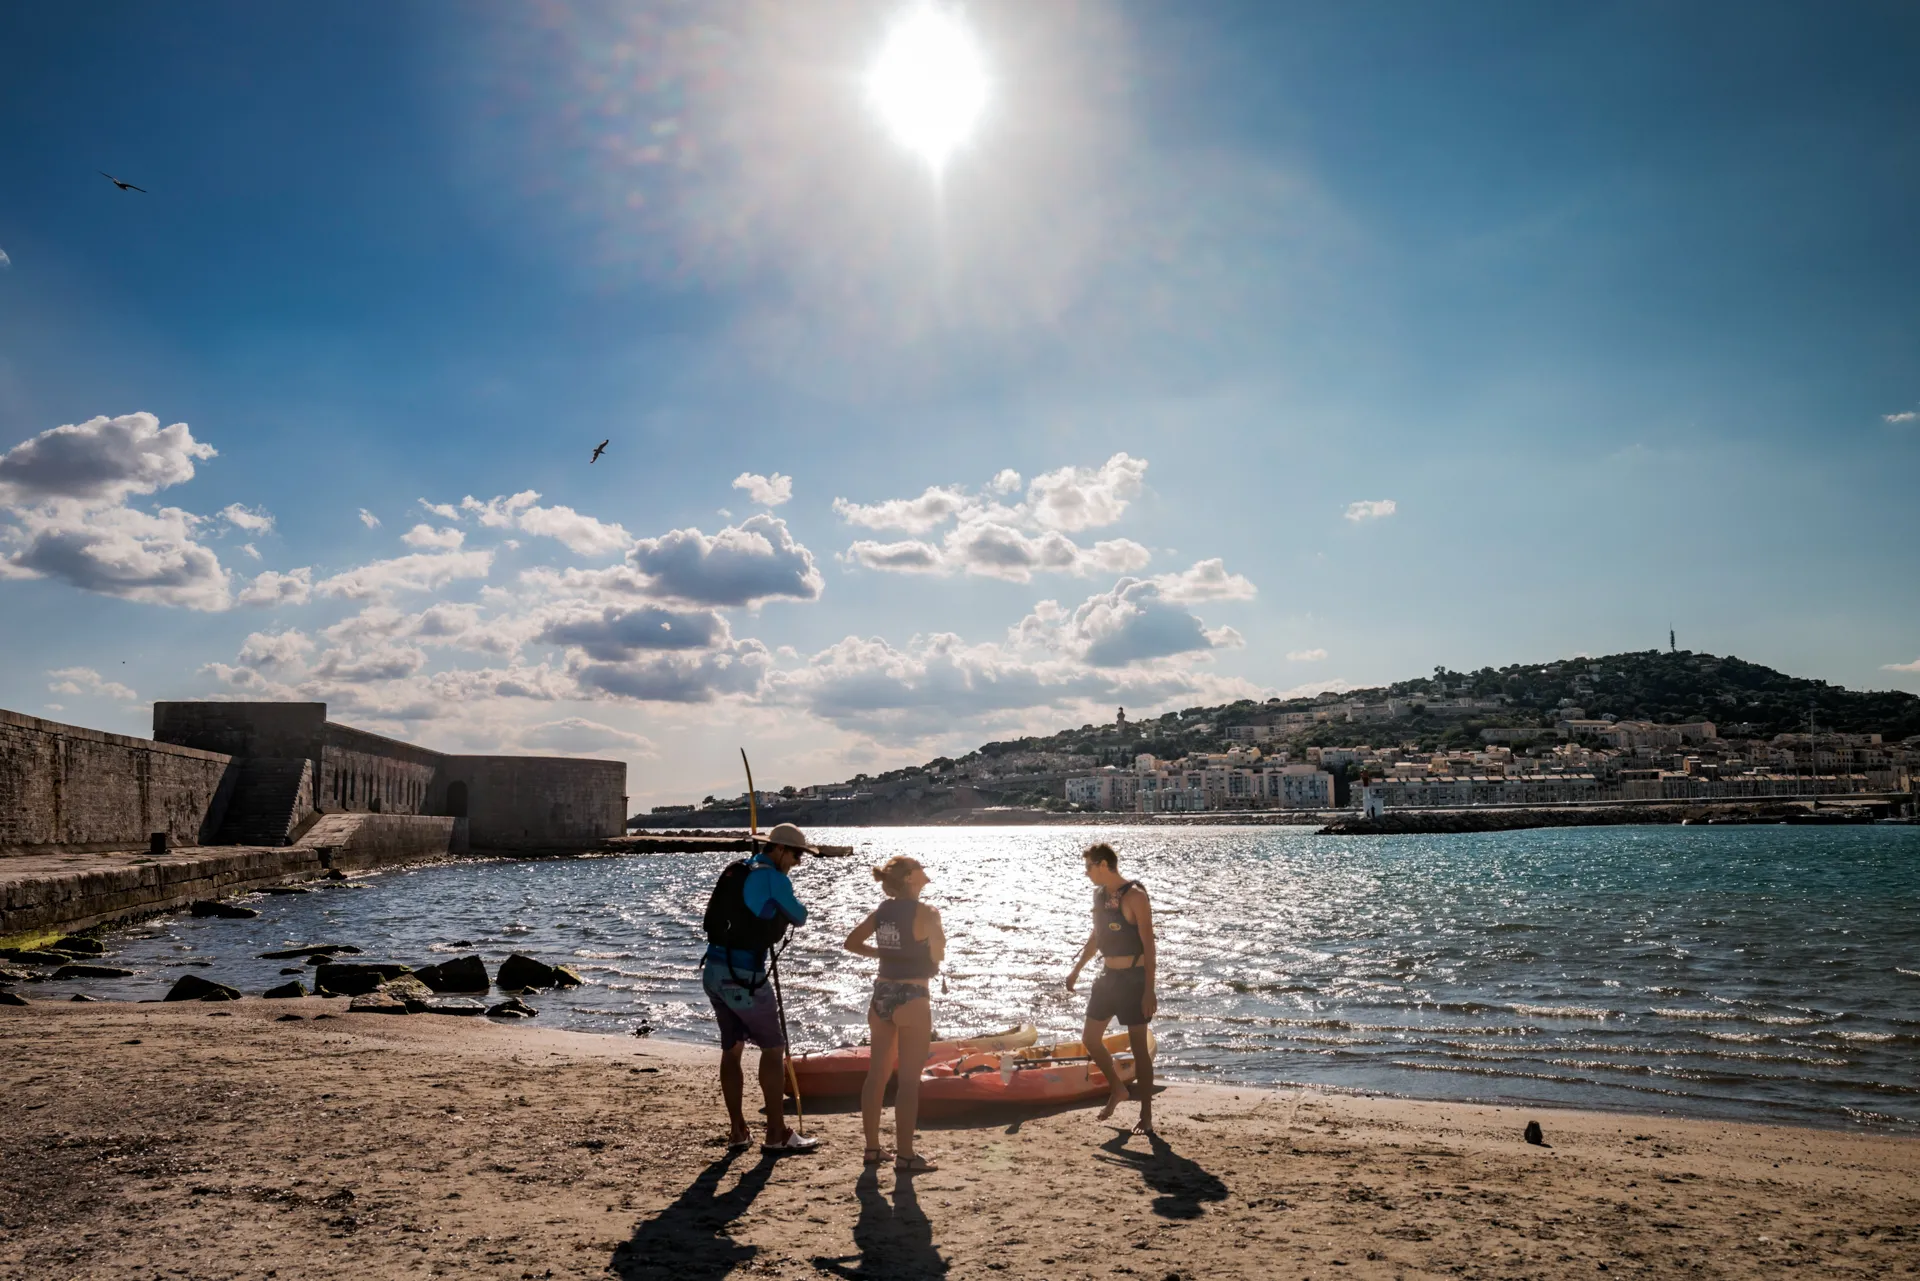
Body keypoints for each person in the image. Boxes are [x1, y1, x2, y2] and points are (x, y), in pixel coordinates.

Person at [701, 821, 820, 1154]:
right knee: (773, 1047)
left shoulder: (738, 869)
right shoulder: (772, 877)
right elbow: (799, 916)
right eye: (796, 854)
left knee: (733, 1048)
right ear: (779, 849)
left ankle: (738, 1131)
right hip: (743, 976)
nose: (798, 862)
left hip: (713, 969)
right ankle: (776, 1134)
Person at [842, 855, 946, 1174]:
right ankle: (905, 1156)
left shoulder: (882, 911)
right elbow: (938, 954)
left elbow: (852, 943)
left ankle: (872, 1149)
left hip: (882, 993)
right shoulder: (927, 912)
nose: (926, 874)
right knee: (909, 1081)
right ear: (911, 877)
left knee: (878, 1074)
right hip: (913, 994)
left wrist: (883, 952)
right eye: (921, 870)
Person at [1064, 841, 1157, 1134]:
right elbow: (1096, 937)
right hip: (1107, 978)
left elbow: (1149, 945)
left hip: (1134, 979)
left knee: (1140, 1049)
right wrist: (1076, 970)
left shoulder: (1136, 896)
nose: (1087, 873)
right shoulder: (1099, 895)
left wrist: (1149, 990)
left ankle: (1146, 1115)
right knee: (1090, 1039)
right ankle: (1117, 1089)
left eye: (1089, 867)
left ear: (1103, 865)